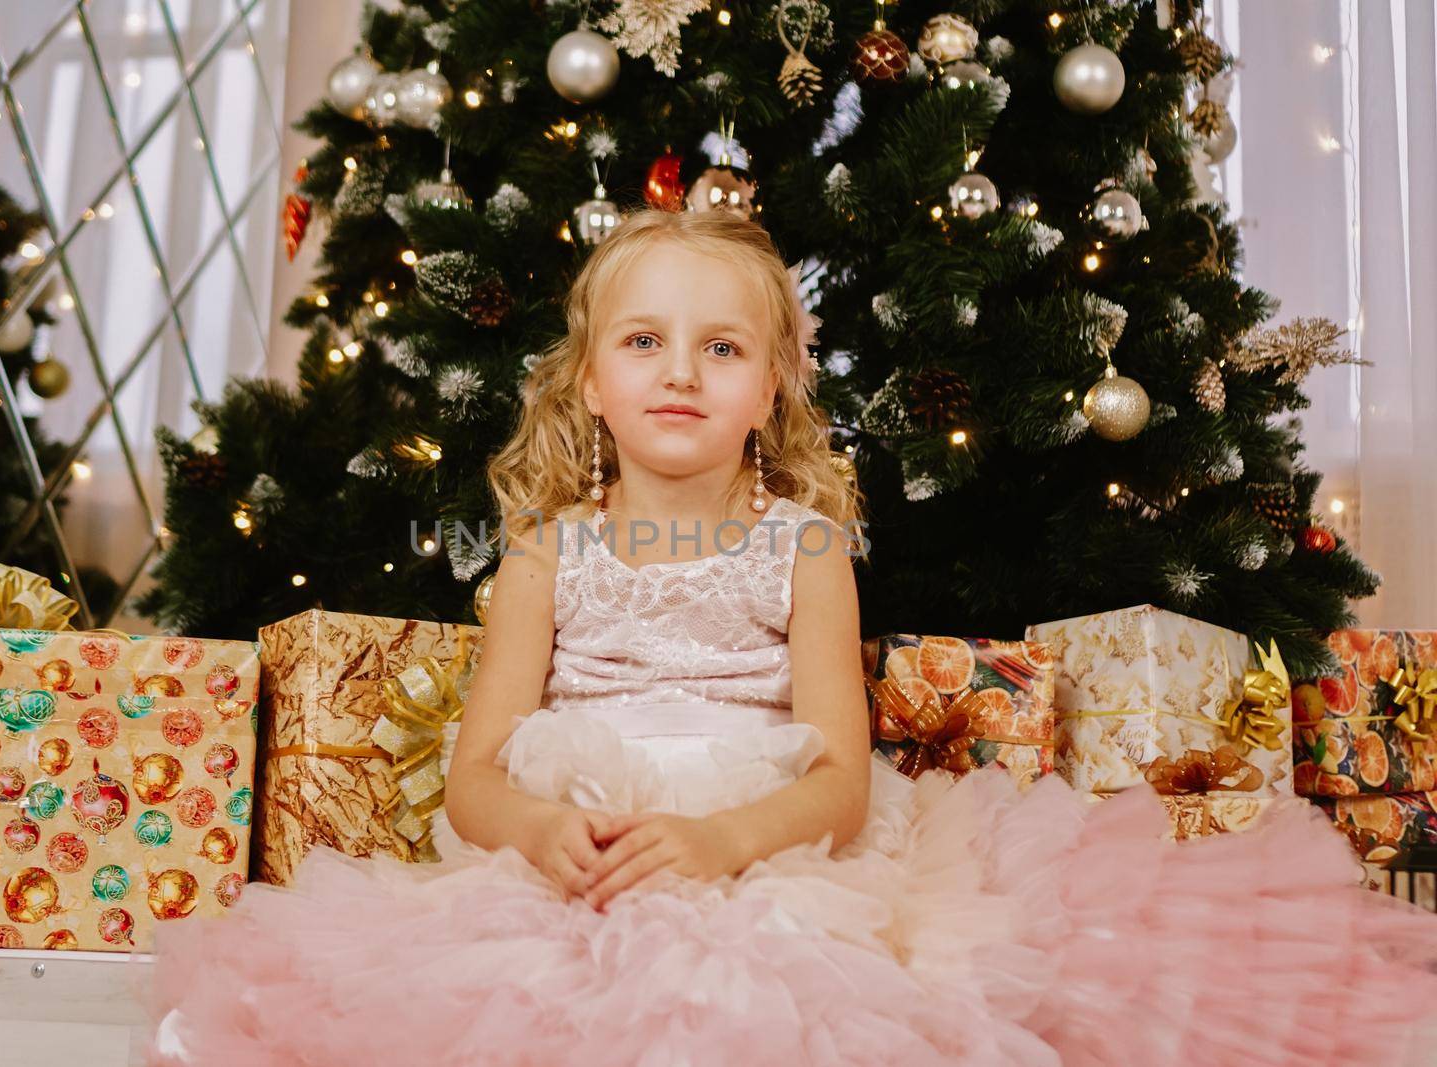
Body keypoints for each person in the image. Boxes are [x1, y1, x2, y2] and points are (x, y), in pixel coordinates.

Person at [143, 209, 1437, 1066]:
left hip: (766, 859)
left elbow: (836, 773)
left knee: (773, 1019)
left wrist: (716, 843)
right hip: (564, 867)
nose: (680, 372)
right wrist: (536, 830)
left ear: (771, 388)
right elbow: (474, 775)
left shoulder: (806, 548)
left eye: (721, 347)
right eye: (644, 342)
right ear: (590, 381)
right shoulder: (546, 553)